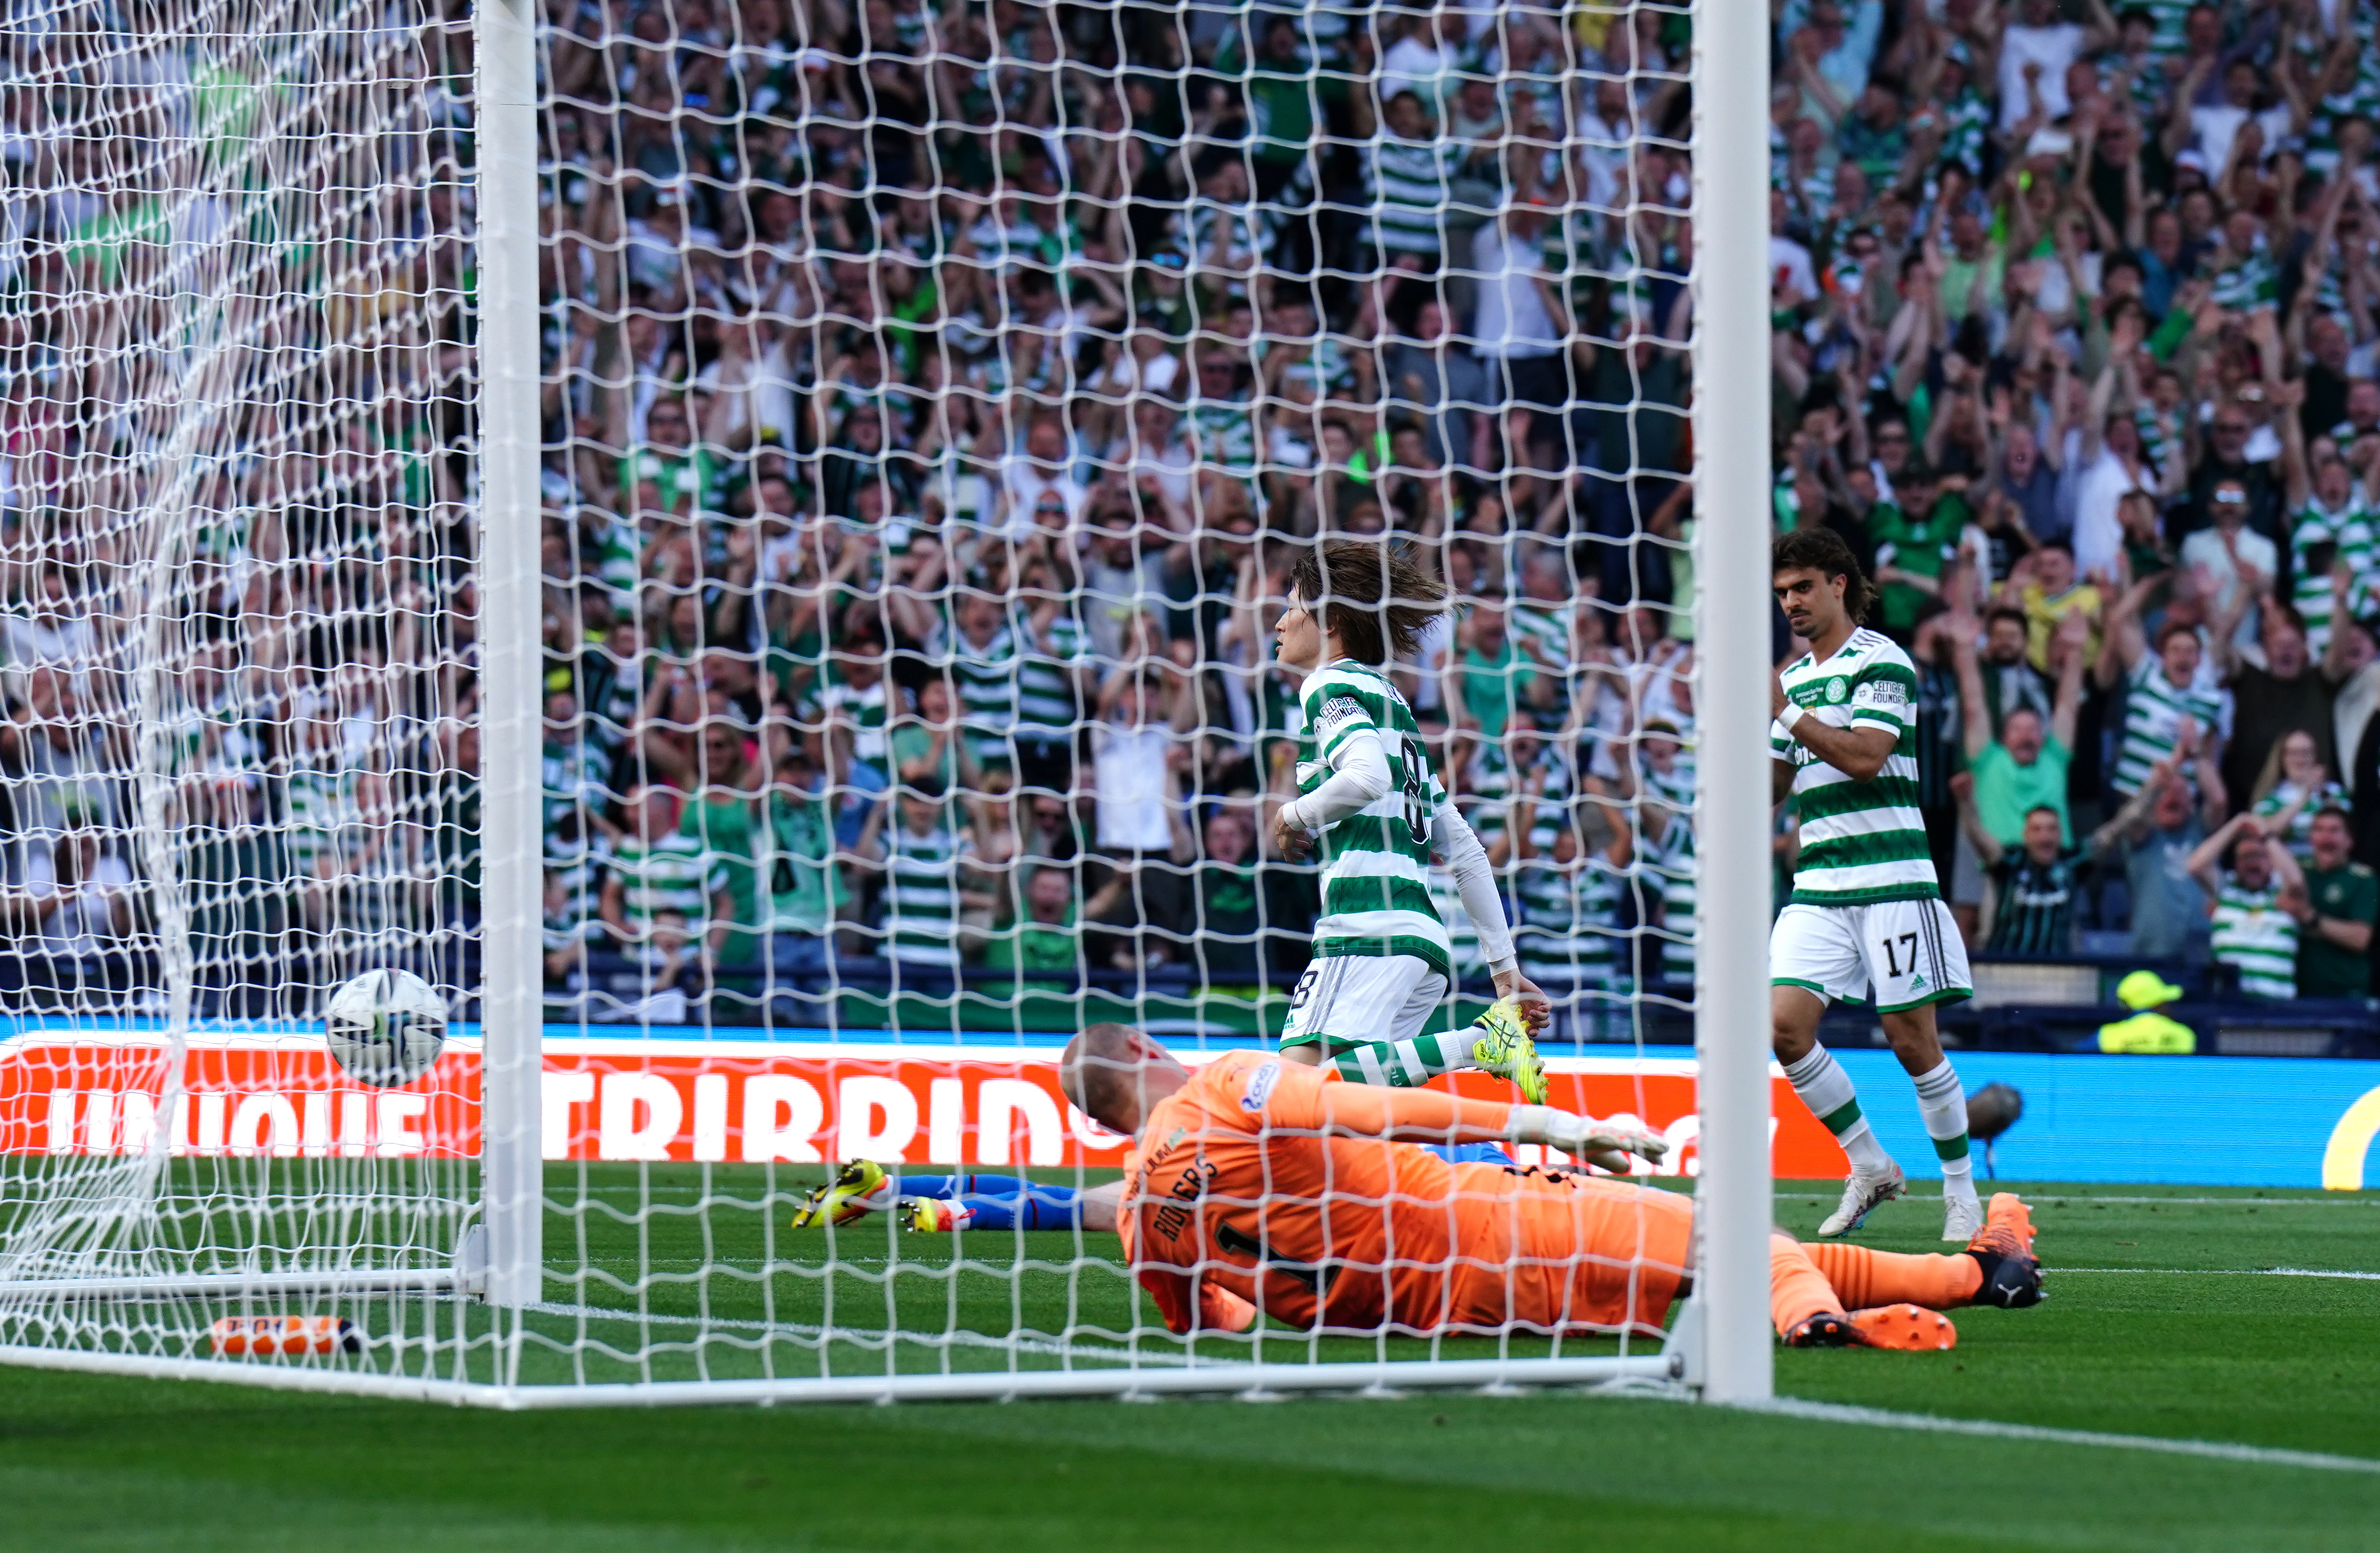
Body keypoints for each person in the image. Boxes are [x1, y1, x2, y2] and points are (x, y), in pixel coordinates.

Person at [1054, 1024, 2043, 1347]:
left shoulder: (1141, 1216)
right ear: (1145, 1048)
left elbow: (1201, 1324)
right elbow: (1381, 1111)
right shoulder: (1230, 1082)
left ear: (1101, 1126)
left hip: (1431, 1314)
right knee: (1736, 1239)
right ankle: (1818, 1323)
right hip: (1480, 1222)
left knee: (1684, 1273)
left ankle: (1972, 1272)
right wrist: (1546, 1120)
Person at [1268, 540, 1549, 1097]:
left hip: (1364, 927)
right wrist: (1502, 967)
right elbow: (1465, 849)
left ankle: (1481, 1042)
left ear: (1328, 621)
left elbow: (1365, 774)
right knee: (1349, 1112)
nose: (1279, 622)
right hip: (1422, 940)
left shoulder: (1328, 684)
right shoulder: (1392, 703)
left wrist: (1291, 814)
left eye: (1292, 605)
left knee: (1292, 1093)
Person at [1768, 528, 1979, 1242]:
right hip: (1820, 883)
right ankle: (1870, 1163)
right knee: (1783, 1028)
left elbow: (1865, 757)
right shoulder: (1790, 680)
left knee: (1910, 1038)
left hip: (1891, 878)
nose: (1790, 602)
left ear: (1837, 583)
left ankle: (1960, 1193)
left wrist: (1783, 709)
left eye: (1801, 587)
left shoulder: (1881, 662)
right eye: (1780, 593)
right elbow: (1770, 786)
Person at [2186, 814, 2308, 1000]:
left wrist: (2265, 834)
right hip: (2229, 1002)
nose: (2252, 863)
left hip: (2277, 1006)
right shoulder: (2225, 892)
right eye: (2245, 857)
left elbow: (2297, 882)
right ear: (2236, 864)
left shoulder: (2285, 897)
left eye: (2260, 856)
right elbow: (2196, 866)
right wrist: (2237, 823)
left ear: (2272, 861)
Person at [2288, 806, 2375, 998]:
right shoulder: (2300, 875)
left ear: (2349, 841)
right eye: (2318, 830)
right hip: (2299, 993)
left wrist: (2310, 918)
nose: (2325, 837)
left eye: (2334, 830)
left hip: (2345, 995)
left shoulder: (2363, 880)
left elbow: (2360, 938)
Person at [2095, 970, 2197, 1055]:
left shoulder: (2106, 1036)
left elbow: (2081, 1065)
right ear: (2159, 1004)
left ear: (2126, 1006)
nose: (2169, 1008)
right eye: (2166, 1002)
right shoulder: (2185, 1034)